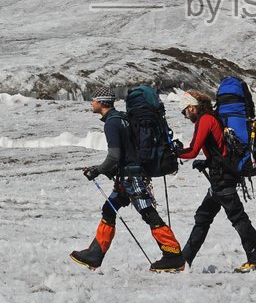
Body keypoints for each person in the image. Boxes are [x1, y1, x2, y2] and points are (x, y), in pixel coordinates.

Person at [70, 93, 185, 272]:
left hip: (131, 178)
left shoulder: (112, 123)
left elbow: (114, 156)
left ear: (102, 103)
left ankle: (173, 255)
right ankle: (95, 254)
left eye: (93, 100)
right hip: (130, 175)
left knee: (147, 212)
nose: (91, 103)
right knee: (109, 208)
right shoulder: (122, 118)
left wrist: (97, 170)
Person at [175, 90, 256, 272]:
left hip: (222, 179)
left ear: (192, 107)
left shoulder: (205, 120)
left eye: (185, 111)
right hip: (221, 177)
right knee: (203, 217)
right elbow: (219, 150)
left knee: (237, 218)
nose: (185, 116)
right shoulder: (211, 117)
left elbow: (193, 150)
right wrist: (206, 162)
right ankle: (184, 260)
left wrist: (174, 152)